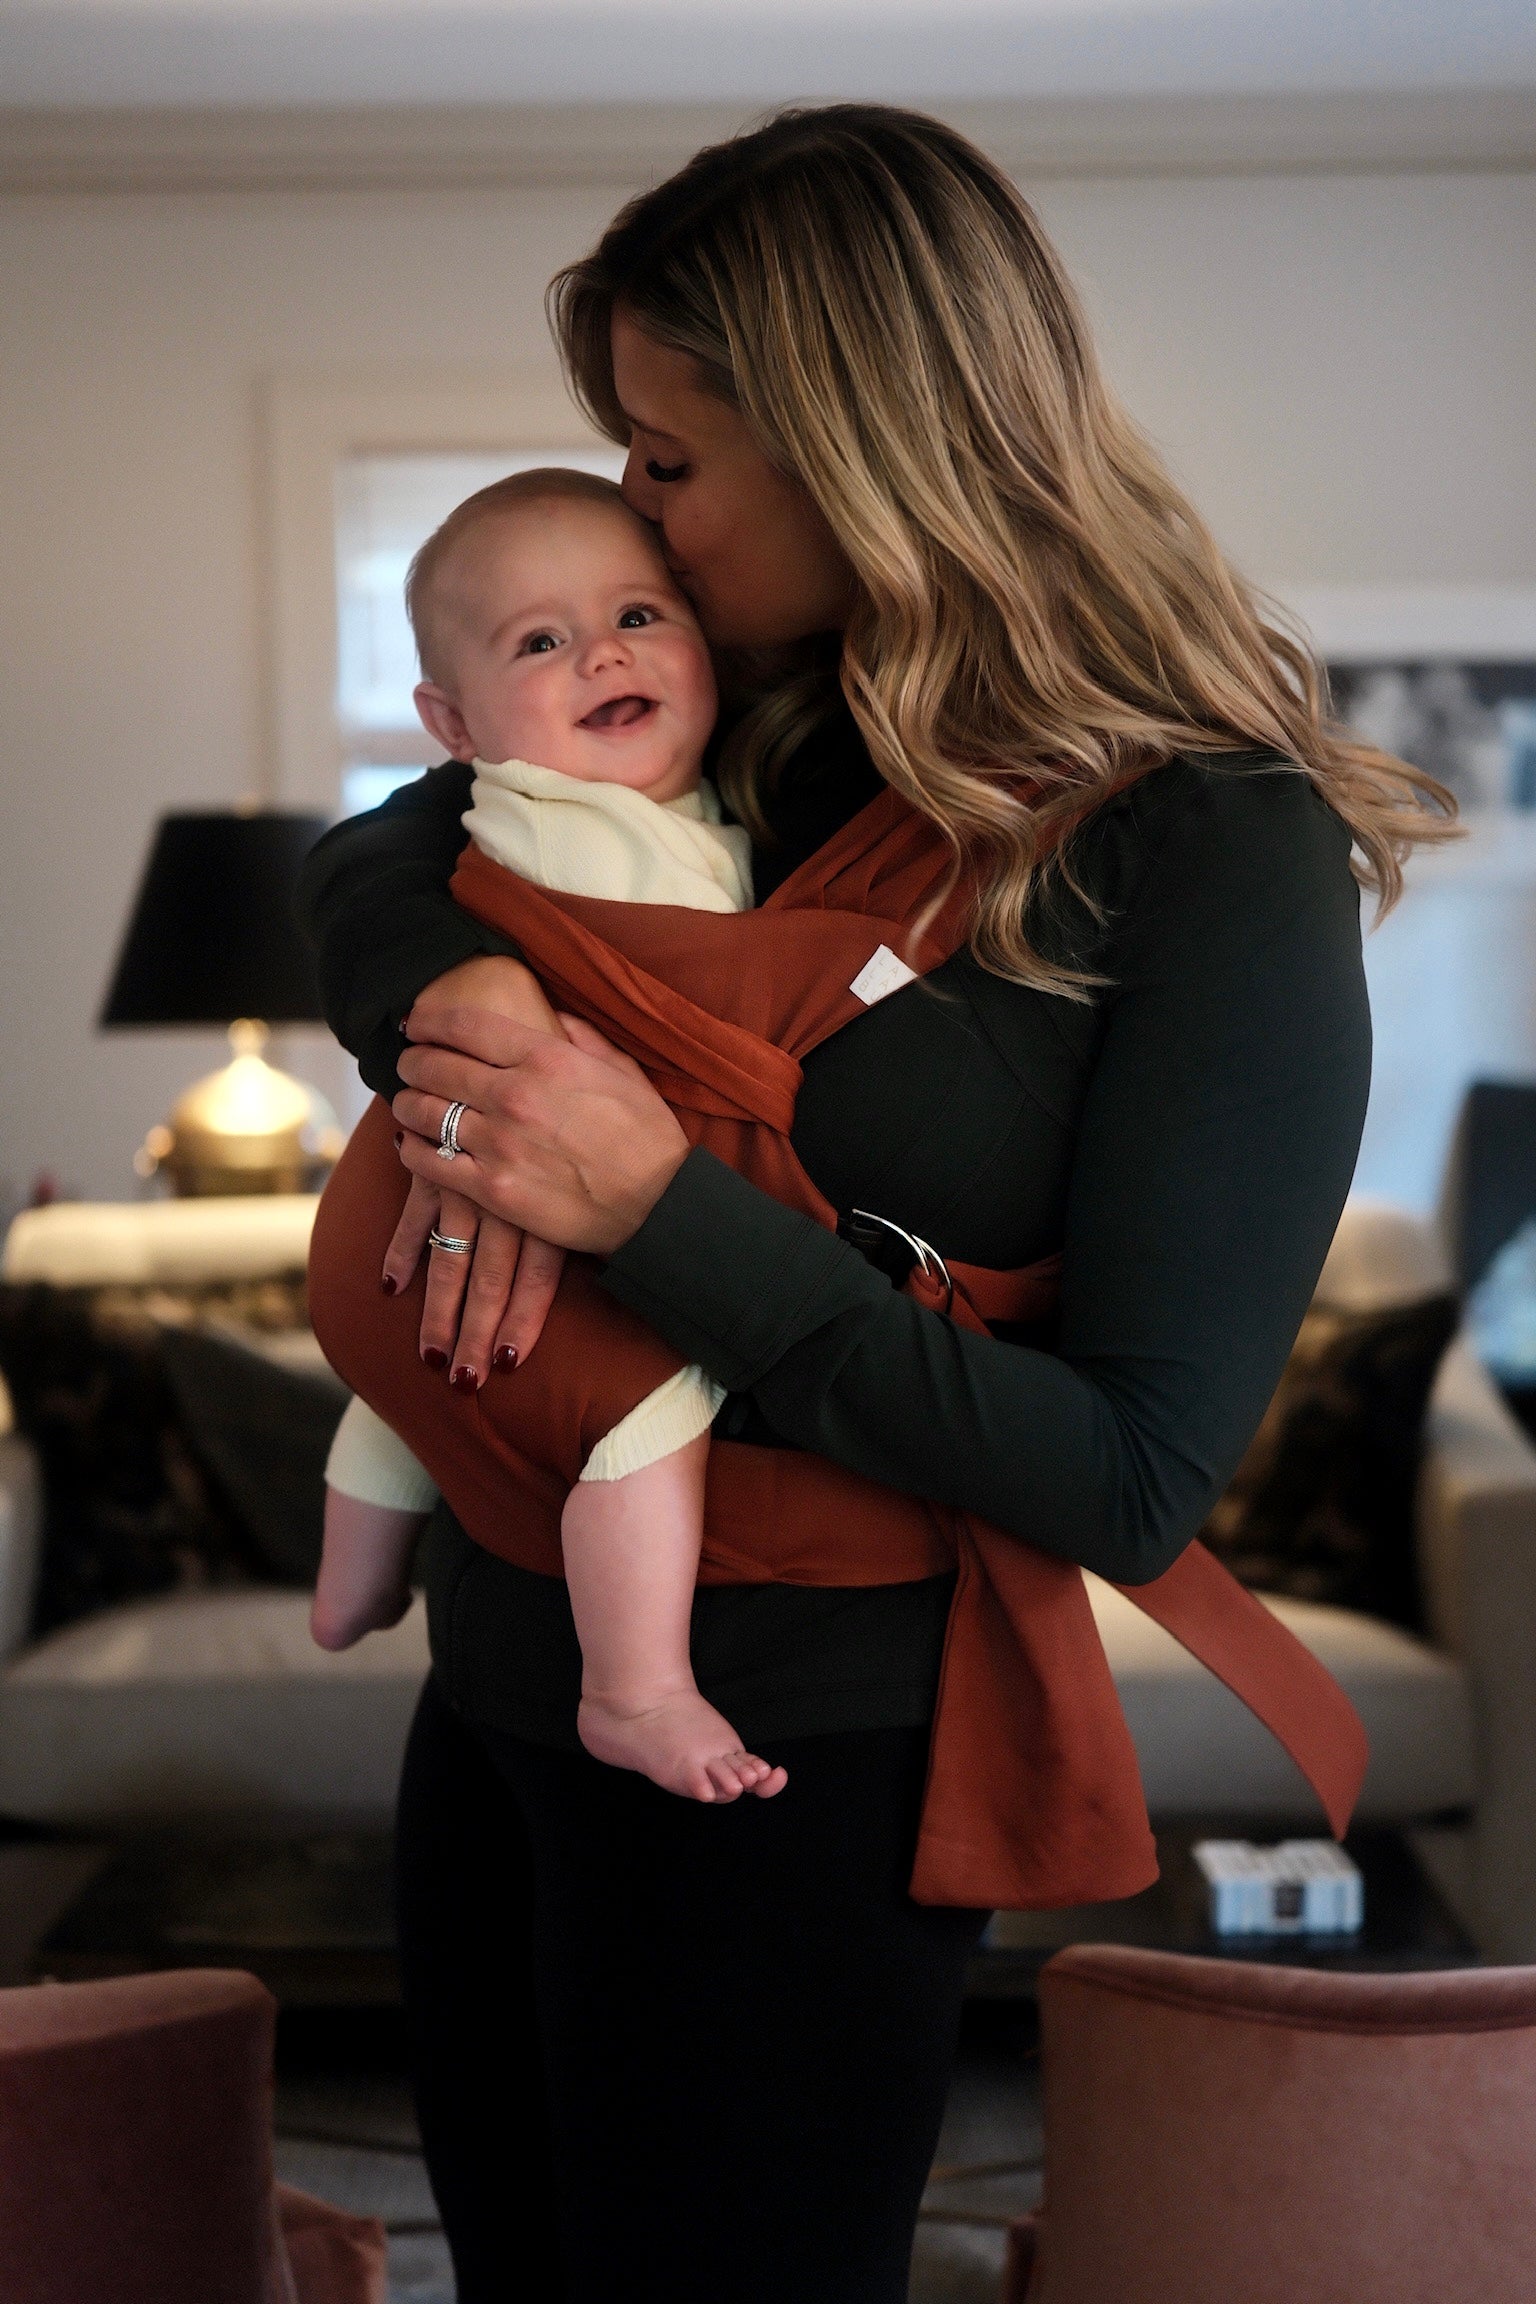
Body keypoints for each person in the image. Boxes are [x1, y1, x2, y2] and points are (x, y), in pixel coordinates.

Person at [297, 104, 1448, 2304]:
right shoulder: (728, 710)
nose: (632, 516)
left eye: (666, 462)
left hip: (795, 1764)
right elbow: (391, 834)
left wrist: (652, 1206)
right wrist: (449, 990)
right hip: (500, 1692)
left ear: (854, 445)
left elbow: (1125, 1476)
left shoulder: (1207, 848)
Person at [312, 465, 788, 1806]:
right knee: (652, 1398)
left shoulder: (561, 815)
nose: (602, 652)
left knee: (434, 1357)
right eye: (542, 641)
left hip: (407, 1201)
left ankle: (349, 1584)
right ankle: (634, 1687)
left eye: (641, 613)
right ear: (453, 723)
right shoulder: (600, 830)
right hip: (512, 1184)